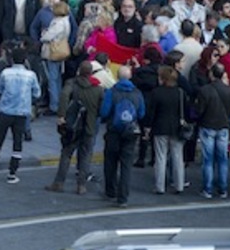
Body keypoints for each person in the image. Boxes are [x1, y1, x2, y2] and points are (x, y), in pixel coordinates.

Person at [0, 47, 40, 184]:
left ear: (12, 59)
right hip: (22, 112)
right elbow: (37, 93)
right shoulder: (31, 75)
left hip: (5, 111)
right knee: (18, 142)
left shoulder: (6, 73)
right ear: (25, 60)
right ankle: (12, 173)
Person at [45, 61, 102, 195]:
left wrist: (61, 115)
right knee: (86, 155)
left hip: (73, 126)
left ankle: (59, 182)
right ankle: (81, 185)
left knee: (66, 154)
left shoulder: (72, 84)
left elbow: (64, 96)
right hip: (89, 126)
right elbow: (102, 107)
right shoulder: (98, 89)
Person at [99, 65, 145, 208]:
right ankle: (123, 197)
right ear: (130, 76)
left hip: (113, 130)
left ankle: (110, 191)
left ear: (117, 76)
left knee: (110, 162)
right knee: (126, 165)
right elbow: (142, 113)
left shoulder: (111, 92)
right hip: (130, 132)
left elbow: (104, 112)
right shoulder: (137, 93)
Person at [194, 63, 230, 198]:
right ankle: (223, 189)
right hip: (223, 126)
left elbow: (199, 110)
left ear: (211, 74)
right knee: (222, 159)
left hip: (207, 125)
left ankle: (207, 189)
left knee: (208, 159)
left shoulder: (205, 90)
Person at [147, 66, 187, 195]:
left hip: (160, 127)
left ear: (162, 78)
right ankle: (179, 185)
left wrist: (148, 127)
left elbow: (151, 112)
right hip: (177, 127)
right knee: (177, 157)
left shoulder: (156, 92)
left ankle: (160, 186)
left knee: (160, 157)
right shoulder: (180, 92)